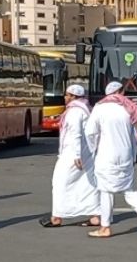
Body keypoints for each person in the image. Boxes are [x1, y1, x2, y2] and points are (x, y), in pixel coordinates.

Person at [84, 80, 137, 239]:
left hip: (106, 155)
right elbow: (134, 136)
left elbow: (90, 132)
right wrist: (133, 157)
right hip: (126, 155)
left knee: (105, 190)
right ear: (121, 92)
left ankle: (105, 227)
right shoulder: (130, 108)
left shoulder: (100, 108)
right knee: (128, 188)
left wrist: (93, 148)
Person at [40, 84, 101, 228]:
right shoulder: (85, 109)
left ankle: (57, 217)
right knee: (87, 183)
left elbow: (75, 133)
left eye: (67, 95)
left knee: (60, 182)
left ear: (74, 97)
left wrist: (76, 154)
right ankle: (94, 216)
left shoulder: (74, 111)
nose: (65, 97)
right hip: (86, 152)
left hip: (73, 153)